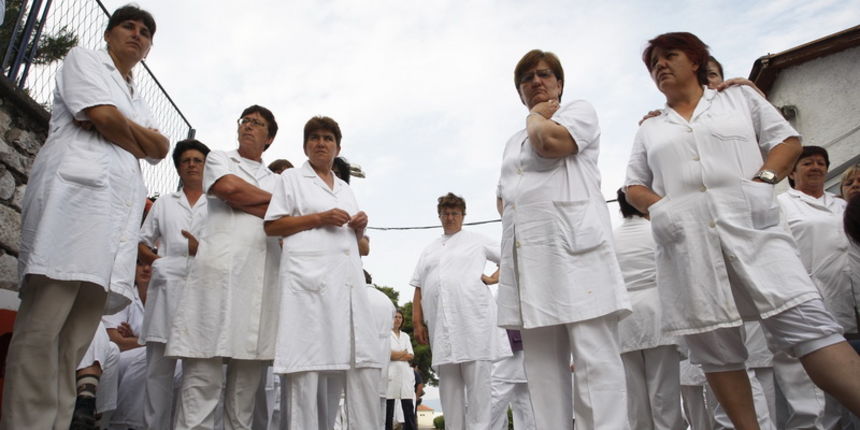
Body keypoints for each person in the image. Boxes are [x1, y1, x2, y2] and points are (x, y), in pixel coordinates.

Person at [624, 32, 860, 430]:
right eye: (653, 63)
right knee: (716, 349)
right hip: (689, 245)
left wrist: (762, 181)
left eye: (670, 56)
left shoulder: (739, 99)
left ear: (696, 61)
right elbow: (634, 186)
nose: (660, 65)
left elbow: (786, 140)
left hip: (756, 232)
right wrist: (663, 209)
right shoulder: (650, 127)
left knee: (811, 328)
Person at [4, 6, 168, 429]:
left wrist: (124, 128)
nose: (137, 34)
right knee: (42, 330)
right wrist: (130, 133)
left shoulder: (137, 95)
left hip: (109, 228)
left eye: (145, 32)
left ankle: (56, 424)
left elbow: (160, 148)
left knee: (74, 342)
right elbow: (101, 116)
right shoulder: (84, 59)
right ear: (110, 34)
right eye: (128, 26)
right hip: (72, 210)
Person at [495, 49, 631, 430]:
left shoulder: (578, 111)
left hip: (576, 253)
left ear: (559, 83)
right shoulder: (511, 142)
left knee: (593, 362)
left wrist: (536, 115)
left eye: (544, 75)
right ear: (519, 91)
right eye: (527, 79)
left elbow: (550, 143)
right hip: (530, 260)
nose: (536, 82)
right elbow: (504, 195)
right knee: (541, 368)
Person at [166, 105, 281, 429]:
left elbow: (281, 217)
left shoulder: (277, 180)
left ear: (269, 138)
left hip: (258, 282)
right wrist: (268, 206)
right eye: (245, 121)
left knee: (244, 394)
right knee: (201, 381)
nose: (248, 126)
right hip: (216, 277)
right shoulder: (218, 158)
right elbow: (227, 189)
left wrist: (250, 201)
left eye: (257, 124)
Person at [264, 116, 378, 429]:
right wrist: (319, 217)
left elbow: (362, 245)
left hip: (343, 289)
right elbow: (272, 226)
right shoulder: (290, 179)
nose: (321, 142)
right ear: (305, 145)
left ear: (337, 147)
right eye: (314, 137)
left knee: (336, 374)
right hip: (308, 287)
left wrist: (359, 228)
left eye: (328, 138)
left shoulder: (344, 189)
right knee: (306, 371)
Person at [411, 192, 510, 430]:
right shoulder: (429, 250)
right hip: (441, 328)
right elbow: (418, 285)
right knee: (449, 389)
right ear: (439, 216)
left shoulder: (477, 240)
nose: (450, 217)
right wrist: (417, 322)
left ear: (463, 216)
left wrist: (495, 277)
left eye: (455, 213)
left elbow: (508, 256)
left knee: (479, 389)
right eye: (445, 213)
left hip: (473, 322)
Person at [778, 146, 857, 428]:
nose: (816, 167)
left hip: (850, 297)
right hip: (814, 299)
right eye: (808, 163)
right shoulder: (783, 205)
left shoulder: (842, 205)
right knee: (826, 392)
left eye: (821, 163)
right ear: (791, 171)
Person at [137, 138, 210, 429]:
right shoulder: (165, 203)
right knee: (158, 372)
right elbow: (142, 242)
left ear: (206, 166)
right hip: (166, 290)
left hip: (202, 291)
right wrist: (158, 263)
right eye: (185, 161)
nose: (191, 165)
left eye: (197, 160)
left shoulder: (217, 205)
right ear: (179, 168)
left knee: (198, 373)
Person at [613, 189, 684, 430]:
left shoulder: (612, 238)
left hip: (623, 319)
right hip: (658, 312)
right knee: (665, 390)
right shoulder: (656, 233)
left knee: (634, 395)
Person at [102, 257, 150, 429]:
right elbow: (117, 340)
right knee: (149, 358)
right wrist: (150, 342)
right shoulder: (123, 294)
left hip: (140, 357)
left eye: (151, 264)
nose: (145, 269)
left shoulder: (162, 300)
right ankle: (126, 423)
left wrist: (134, 340)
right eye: (139, 263)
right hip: (117, 360)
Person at [386, 310, 416, 430]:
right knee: (389, 408)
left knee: (408, 406)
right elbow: (388, 354)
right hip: (391, 374)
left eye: (400, 317)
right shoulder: (386, 334)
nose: (398, 319)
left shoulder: (405, 336)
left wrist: (397, 354)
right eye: (395, 317)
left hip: (405, 374)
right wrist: (403, 352)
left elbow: (411, 355)